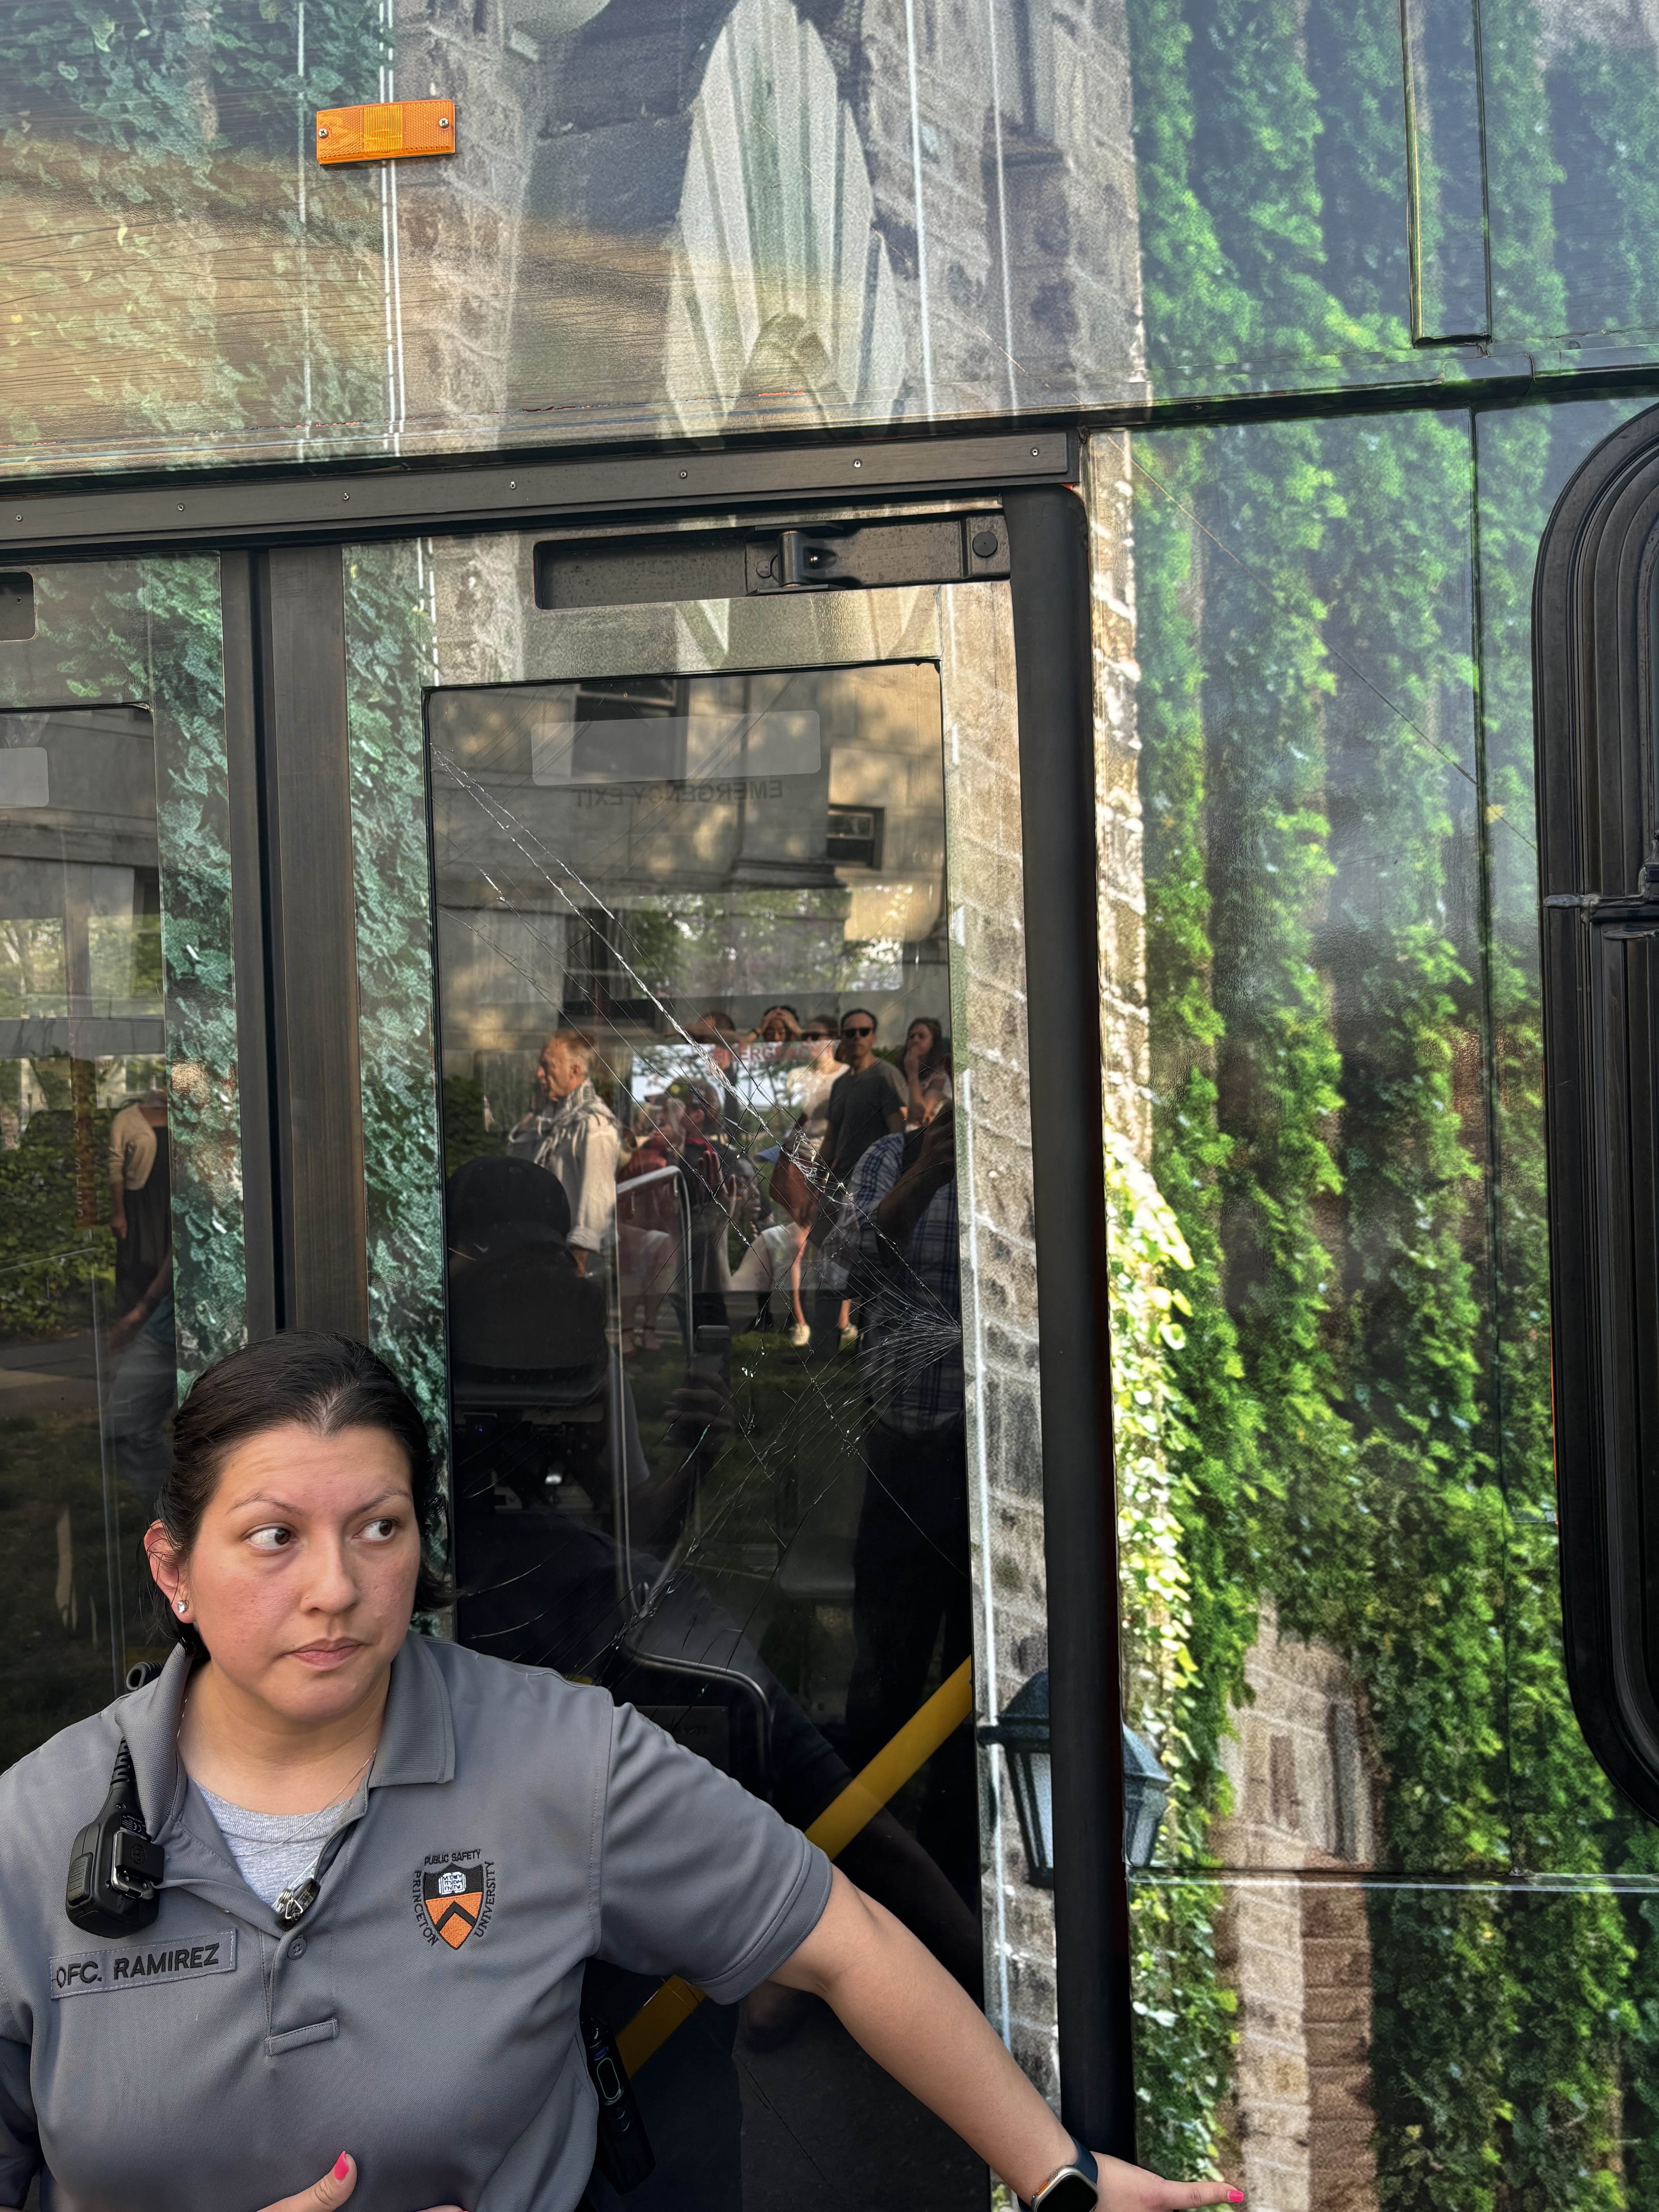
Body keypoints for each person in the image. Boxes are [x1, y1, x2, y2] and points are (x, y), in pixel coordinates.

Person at [0, 1331, 1241, 2212]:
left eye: (378, 1527)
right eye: (273, 1536)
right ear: (172, 1565)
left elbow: (843, 1935)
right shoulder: (32, 1831)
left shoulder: (557, 1757)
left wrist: (1058, 2174)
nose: (335, 1585)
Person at [811, 1009, 906, 1349]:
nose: (856, 1038)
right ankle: (821, 1349)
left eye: (863, 1031)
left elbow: (900, 1132)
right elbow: (832, 1138)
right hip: (840, 1185)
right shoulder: (841, 1083)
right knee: (827, 1261)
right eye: (849, 1033)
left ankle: (871, 1347)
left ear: (874, 1037)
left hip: (874, 1188)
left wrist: (896, 1185)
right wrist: (817, 1178)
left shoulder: (886, 1077)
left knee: (869, 1266)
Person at [506, 1031, 619, 1276]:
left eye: (547, 1066)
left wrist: (577, 1264)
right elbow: (516, 1164)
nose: (539, 1074)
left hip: (569, 1259)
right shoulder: (553, 1116)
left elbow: (597, 1201)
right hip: (540, 1247)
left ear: (574, 1071)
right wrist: (534, 1112)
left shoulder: (593, 1125)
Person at [901, 1016, 951, 1127]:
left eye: (922, 1037)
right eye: (911, 1037)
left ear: (933, 1042)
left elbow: (918, 1117)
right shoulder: (898, 1074)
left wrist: (913, 1073)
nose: (915, 1040)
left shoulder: (939, 1077)